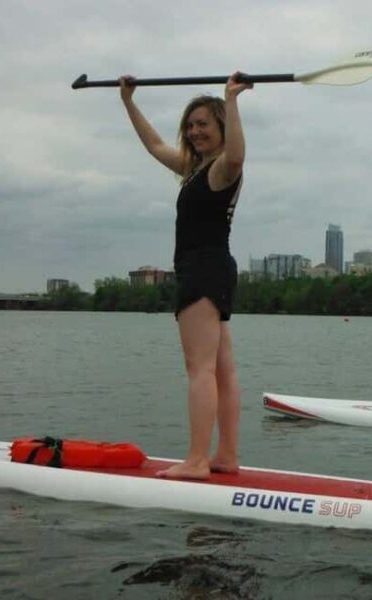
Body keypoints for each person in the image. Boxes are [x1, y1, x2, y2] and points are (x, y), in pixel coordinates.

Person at [119, 72, 252, 477]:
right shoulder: (196, 168)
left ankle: (197, 460)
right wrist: (128, 101)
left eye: (203, 125)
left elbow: (236, 156)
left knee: (199, 369)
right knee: (222, 371)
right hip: (216, 271)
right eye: (190, 126)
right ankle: (225, 456)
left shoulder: (222, 169)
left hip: (202, 272)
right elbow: (156, 145)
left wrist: (232, 99)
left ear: (221, 128)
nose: (194, 132)